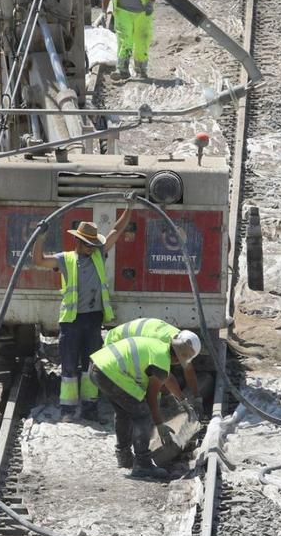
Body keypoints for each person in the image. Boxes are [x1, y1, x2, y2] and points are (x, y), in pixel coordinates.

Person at [34, 200, 135, 420]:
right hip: (71, 321)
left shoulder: (99, 254)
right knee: (69, 366)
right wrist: (40, 237)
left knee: (91, 366)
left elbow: (117, 230)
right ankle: (68, 409)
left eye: (93, 244)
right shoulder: (65, 259)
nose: (91, 248)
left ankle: (90, 408)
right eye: (88, 244)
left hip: (93, 319)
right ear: (78, 241)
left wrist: (129, 207)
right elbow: (39, 260)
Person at [89, 333, 202, 478]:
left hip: (98, 366)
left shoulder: (160, 349)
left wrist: (183, 400)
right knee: (142, 414)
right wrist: (159, 425)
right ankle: (142, 464)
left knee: (124, 412)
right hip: (110, 372)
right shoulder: (161, 361)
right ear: (179, 357)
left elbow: (168, 378)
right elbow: (151, 397)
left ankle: (124, 456)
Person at [105, 318, 202, 405]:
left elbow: (188, 368)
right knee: (141, 391)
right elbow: (165, 377)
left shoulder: (180, 340)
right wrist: (181, 399)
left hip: (128, 341)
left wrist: (197, 397)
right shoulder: (162, 344)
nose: (179, 361)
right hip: (115, 343)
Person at [101, 0, 156, 79]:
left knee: (142, 40)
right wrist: (103, 11)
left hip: (143, 12)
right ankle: (122, 70)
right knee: (124, 39)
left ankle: (141, 70)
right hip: (122, 12)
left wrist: (150, 2)